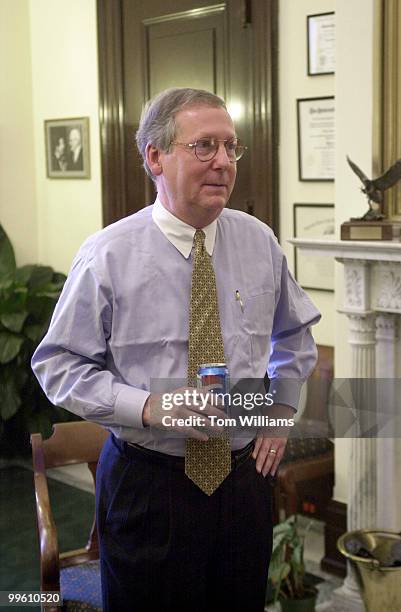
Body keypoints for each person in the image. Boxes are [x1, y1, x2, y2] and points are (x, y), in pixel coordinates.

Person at [32, 88, 320, 612]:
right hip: (149, 485)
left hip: (242, 483)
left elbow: (295, 335)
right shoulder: (107, 256)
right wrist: (146, 405)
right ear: (155, 157)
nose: (224, 162)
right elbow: (58, 365)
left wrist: (280, 410)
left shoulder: (259, 241)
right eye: (204, 146)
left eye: (231, 147)